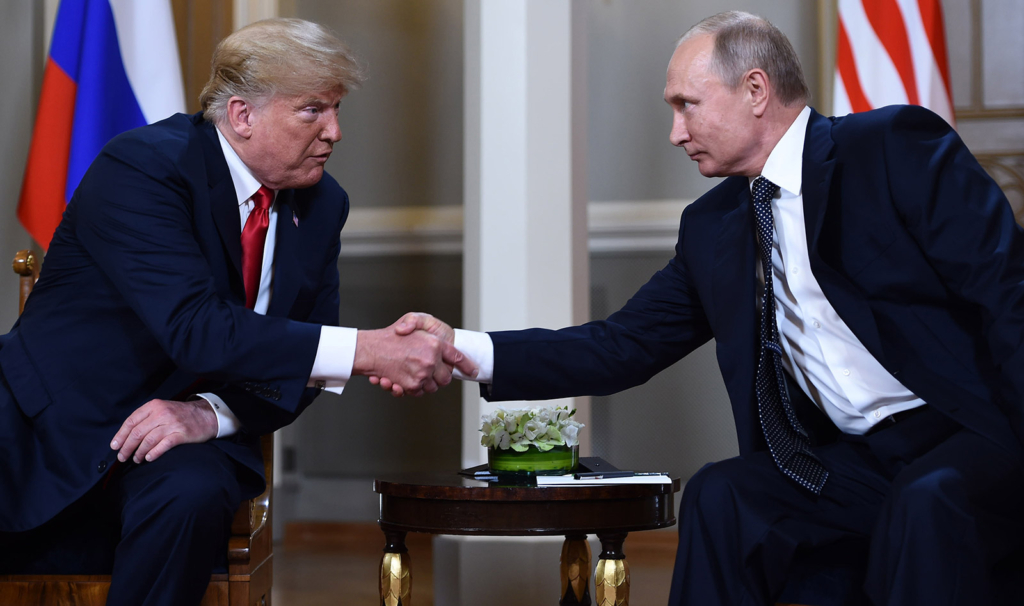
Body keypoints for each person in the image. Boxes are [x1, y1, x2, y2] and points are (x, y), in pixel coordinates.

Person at [393, 10, 1024, 605]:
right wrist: (462, 348)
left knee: (928, 498)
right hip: (851, 462)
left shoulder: (889, 146)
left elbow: (1005, 293)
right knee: (723, 494)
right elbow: (622, 346)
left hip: (970, 436)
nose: (675, 133)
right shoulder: (713, 225)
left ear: (755, 89)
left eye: (685, 106)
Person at [0, 18, 475, 606]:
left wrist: (212, 413)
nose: (335, 132)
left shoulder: (323, 204)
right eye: (313, 111)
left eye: (336, 110)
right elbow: (196, 329)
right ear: (243, 115)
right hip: (52, 430)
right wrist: (370, 349)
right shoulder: (145, 168)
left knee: (191, 494)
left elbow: (303, 353)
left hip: (184, 444)